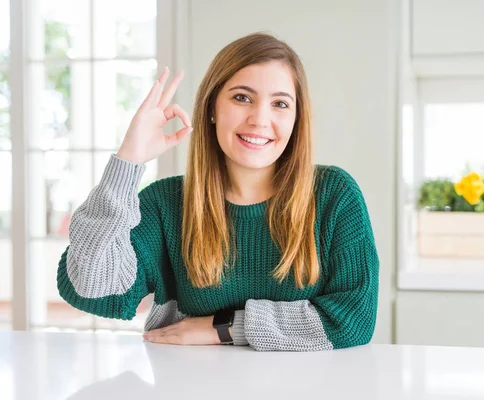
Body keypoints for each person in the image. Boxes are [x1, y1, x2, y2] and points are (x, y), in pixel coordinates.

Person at [57, 32, 380, 352]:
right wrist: (128, 160)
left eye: (280, 103)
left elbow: (351, 321)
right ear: (212, 107)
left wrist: (223, 328)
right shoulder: (165, 203)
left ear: (297, 118)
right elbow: (94, 289)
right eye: (242, 98)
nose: (260, 119)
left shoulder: (333, 194)